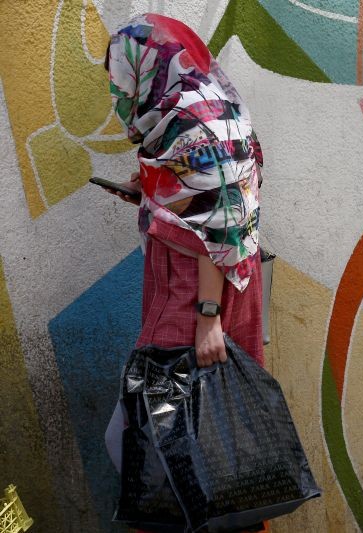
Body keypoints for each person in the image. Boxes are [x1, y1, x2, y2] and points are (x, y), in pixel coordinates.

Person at [103, 13, 268, 533]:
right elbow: (214, 194)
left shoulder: (192, 125)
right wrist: (150, 191)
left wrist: (207, 317)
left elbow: (220, 221)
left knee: (152, 434)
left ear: (140, 70)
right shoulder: (210, 104)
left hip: (195, 293)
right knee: (212, 435)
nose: (121, 93)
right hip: (221, 287)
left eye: (121, 80)